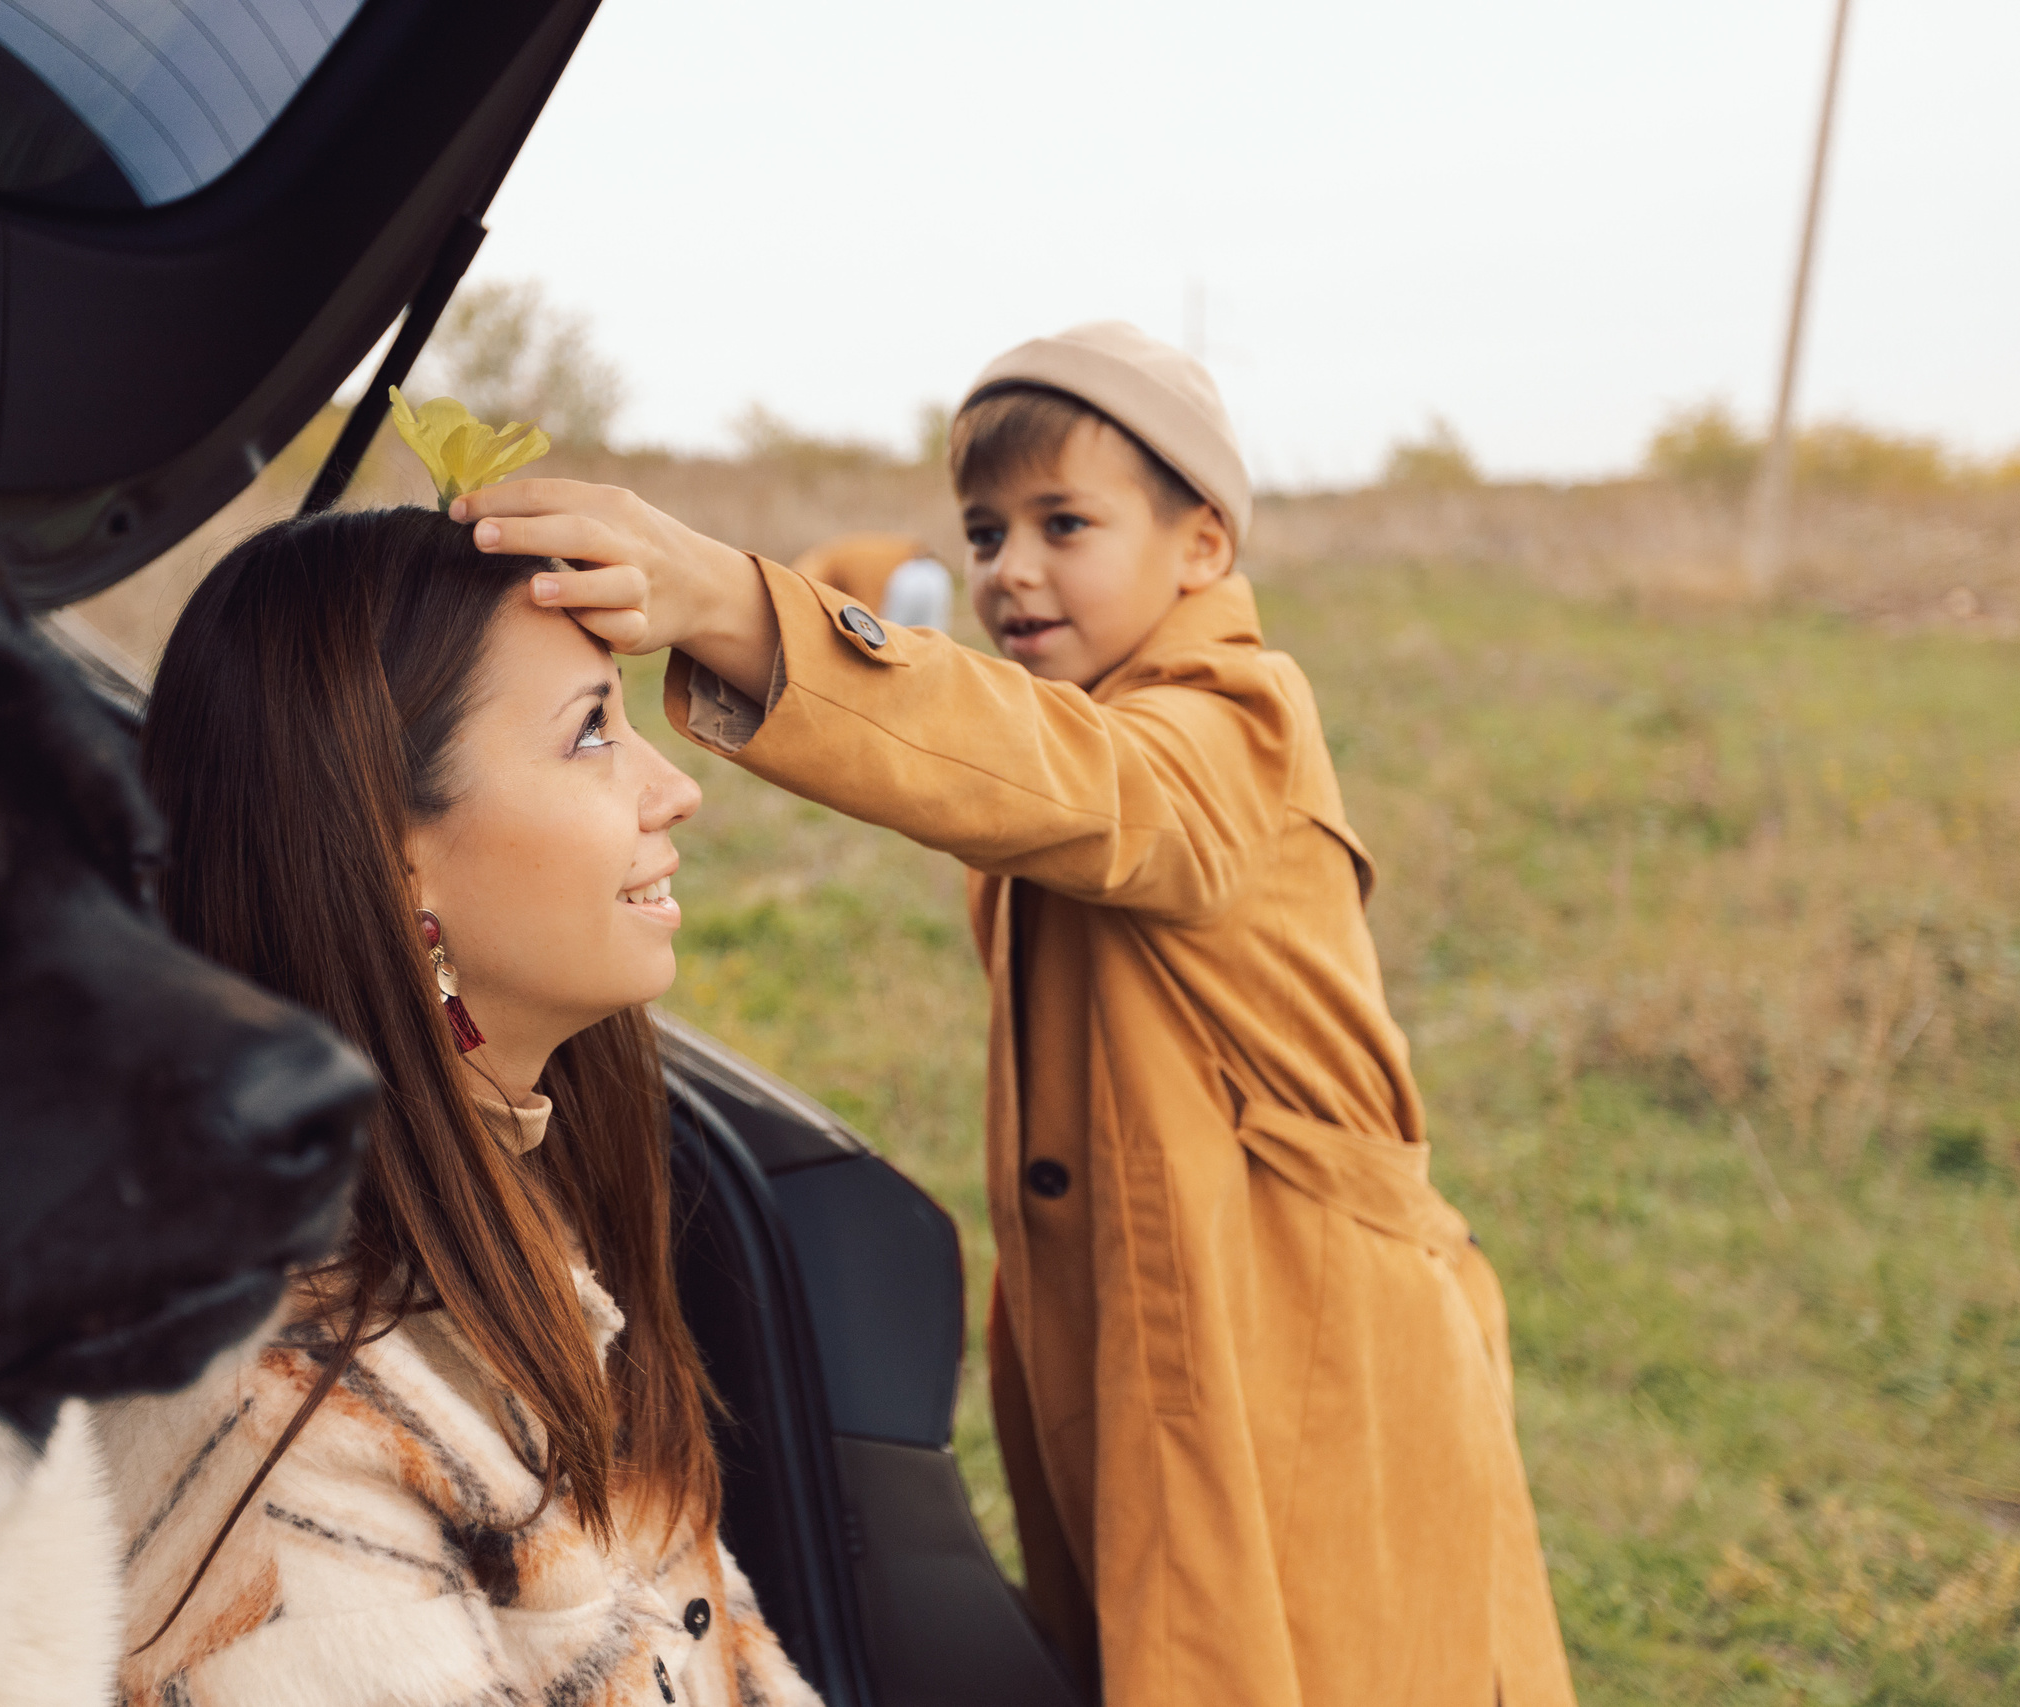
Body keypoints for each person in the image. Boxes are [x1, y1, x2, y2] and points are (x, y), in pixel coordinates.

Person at [450, 322, 1576, 1706]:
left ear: (1204, 546)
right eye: (985, 530)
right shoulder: (1090, 712)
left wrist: (736, 605)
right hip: (1154, 1312)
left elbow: (1072, 781)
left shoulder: (1235, 715)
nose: (1010, 569)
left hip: (1307, 1333)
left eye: (1065, 521)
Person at [96, 506, 819, 1707]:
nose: (675, 790)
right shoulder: (283, 1445)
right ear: (392, 857)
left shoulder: (516, 1221)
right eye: (591, 734)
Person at [793, 530, 956, 632]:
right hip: (933, 572)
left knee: (891, 643)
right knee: (932, 642)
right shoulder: (834, 555)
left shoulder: (816, 570)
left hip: (906, 579)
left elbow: (869, 615)